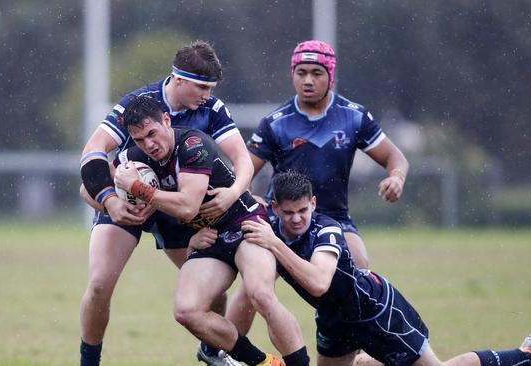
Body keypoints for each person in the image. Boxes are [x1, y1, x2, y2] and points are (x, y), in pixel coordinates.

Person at [240, 171, 531, 366]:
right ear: (275, 209)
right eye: (288, 213)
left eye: (302, 210)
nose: (296, 219)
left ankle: (527, 355)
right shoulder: (269, 222)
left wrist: (274, 244)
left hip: (377, 312)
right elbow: (238, 197)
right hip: (334, 319)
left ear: (313, 204)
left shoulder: (327, 230)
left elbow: (319, 283)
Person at [78, 40, 253, 366]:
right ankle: (89, 362)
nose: (206, 94)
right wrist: (110, 202)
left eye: (211, 88)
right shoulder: (138, 104)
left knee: (211, 293)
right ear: (178, 79)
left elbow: (242, 159)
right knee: (100, 285)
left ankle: (212, 354)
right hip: (127, 200)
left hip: (177, 207)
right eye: (201, 86)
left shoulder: (211, 109)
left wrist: (233, 191)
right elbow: (93, 150)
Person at [228, 38, 409, 338]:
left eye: (316, 72)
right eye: (301, 73)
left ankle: (358, 345)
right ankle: (223, 350)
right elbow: (243, 172)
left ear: (331, 75)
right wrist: (246, 195)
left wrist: (397, 178)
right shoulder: (276, 123)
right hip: (284, 220)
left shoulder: (354, 117)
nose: (308, 80)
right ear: (292, 74)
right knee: (255, 285)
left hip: (335, 217)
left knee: (359, 267)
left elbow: (395, 157)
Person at [112, 95, 310, 366]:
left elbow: (186, 207)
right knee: (187, 311)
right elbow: (88, 185)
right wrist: (109, 201)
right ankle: (263, 363)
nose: (149, 144)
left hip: (245, 225)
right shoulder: (133, 159)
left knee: (260, 294)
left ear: (166, 121)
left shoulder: (193, 144)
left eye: (152, 133)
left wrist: (138, 189)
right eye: (138, 139)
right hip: (210, 239)